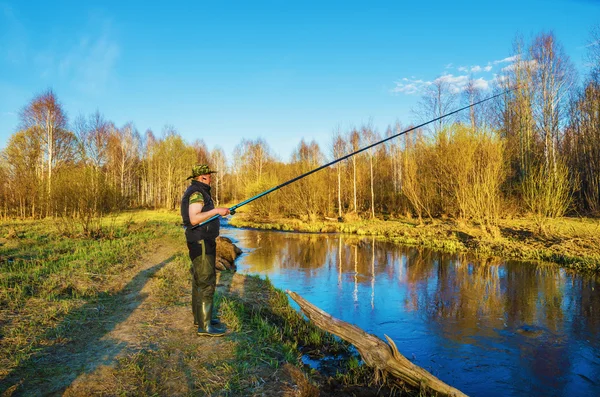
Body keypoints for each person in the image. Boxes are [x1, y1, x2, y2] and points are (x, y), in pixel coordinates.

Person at [181, 164, 230, 337]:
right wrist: (217, 210)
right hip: (201, 242)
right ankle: (205, 326)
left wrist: (218, 212)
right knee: (206, 282)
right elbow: (194, 218)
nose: (211, 178)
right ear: (202, 177)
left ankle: (201, 319)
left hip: (201, 240)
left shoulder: (198, 191)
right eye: (209, 176)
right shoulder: (197, 193)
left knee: (199, 280)